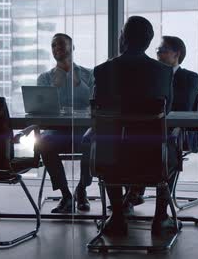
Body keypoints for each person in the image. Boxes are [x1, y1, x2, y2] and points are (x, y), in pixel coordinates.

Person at [92, 16, 178, 236]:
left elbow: (97, 111)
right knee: (171, 147)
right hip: (152, 156)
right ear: (148, 42)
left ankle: (117, 217)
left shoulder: (102, 70)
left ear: (123, 38)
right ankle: (160, 218)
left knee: (108, 146)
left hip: (110, 156)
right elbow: (165, 112)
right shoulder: (163, 71)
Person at [125, 35, 198, 208]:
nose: (158, 54)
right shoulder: (150, 76)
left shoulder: (189, 77)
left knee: (161, 145)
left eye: (163, 50)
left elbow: (183, 107)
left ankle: (154, 201)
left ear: (177, 54)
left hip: (179, 132)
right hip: (153, 129)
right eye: (158, 50)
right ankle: (134, 192)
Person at [37, 33, 94, 213]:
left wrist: (75, 81)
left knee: (92, 142)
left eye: (61, 44)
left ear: (73, 48)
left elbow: (94, 103)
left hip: (83, 130)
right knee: (44, 142)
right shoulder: (45, 78)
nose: (57, 48)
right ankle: (65, 195)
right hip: (56, 131)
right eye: (54, 45)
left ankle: (82, 189)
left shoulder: (89, 74)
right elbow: (41, 108)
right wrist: (57, 84)